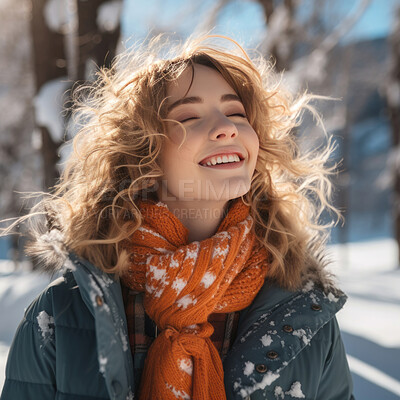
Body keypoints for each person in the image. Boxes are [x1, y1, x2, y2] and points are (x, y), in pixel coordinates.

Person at [1, 35, 354, 400]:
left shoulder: (306, 318)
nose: (227, 127)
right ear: (146, 157)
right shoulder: (61, 318)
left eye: (236, 113)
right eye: (189, 116)